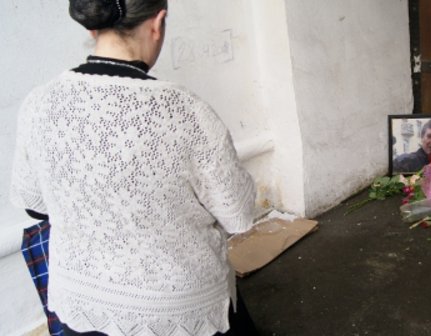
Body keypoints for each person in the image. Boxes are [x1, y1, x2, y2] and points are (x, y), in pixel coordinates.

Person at [10, 1, 258, 335]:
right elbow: (238, 215)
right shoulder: (185, 112)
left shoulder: (38, 103)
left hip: (82, 302)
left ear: (91, 27)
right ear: (158, 23)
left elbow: (33, 204)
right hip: (177, 310)